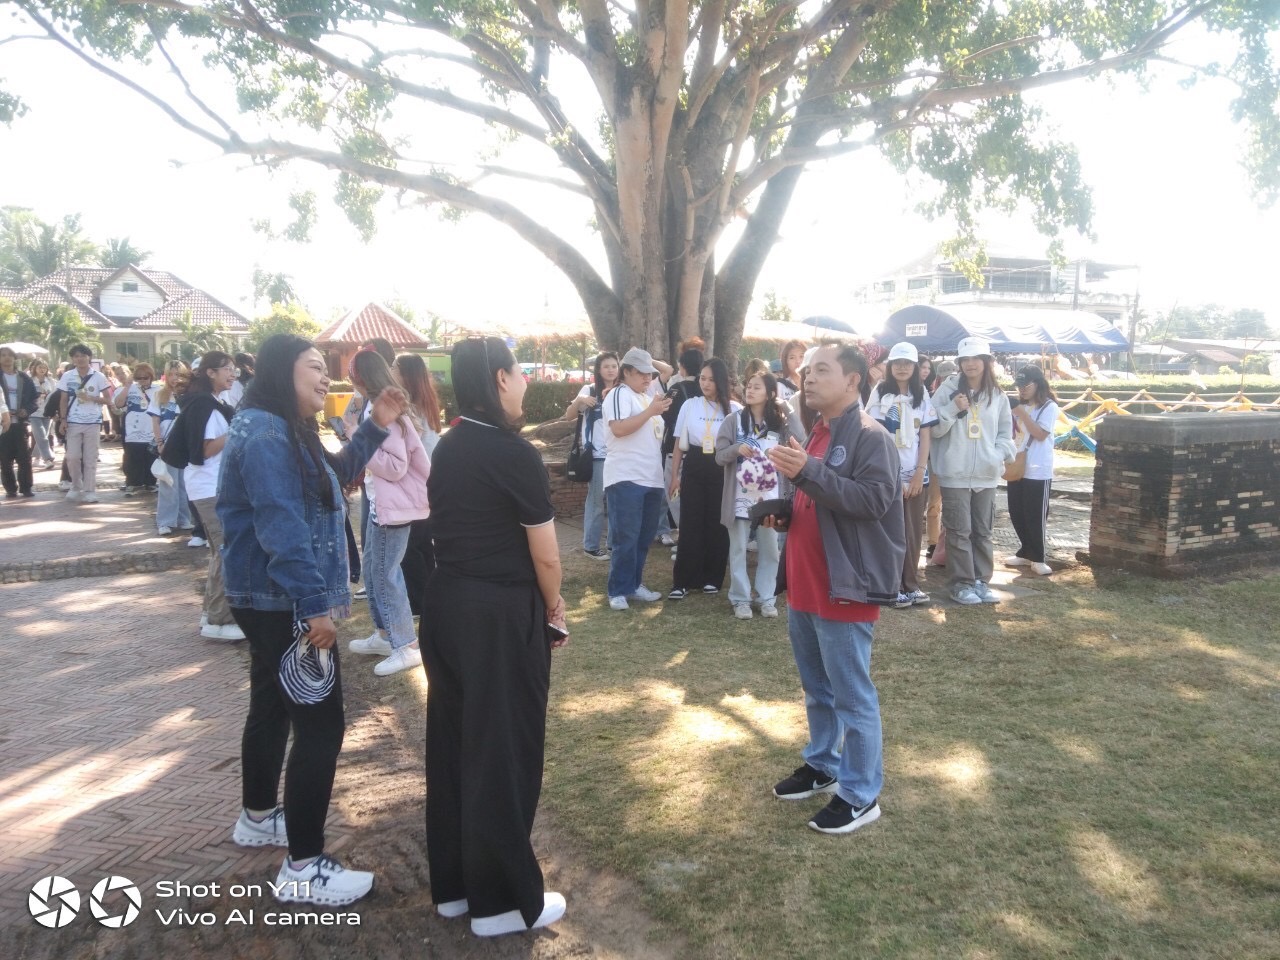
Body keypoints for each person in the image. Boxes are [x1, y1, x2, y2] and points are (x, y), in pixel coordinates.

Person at [219, 333, 407, 908]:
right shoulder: (268, 435)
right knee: (321, 727)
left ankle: (258, 818)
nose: (326, 378)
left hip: (267, 599)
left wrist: (376, 422)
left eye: (327, 370)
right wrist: (314, 609)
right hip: (282, 601)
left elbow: (336, 477)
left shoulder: (282, 426)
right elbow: (281, 528)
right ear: (281, 371)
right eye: (314, 368)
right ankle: (303, 867)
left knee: (271, 705)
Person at [421, 336, 569, 937]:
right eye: (520, 374)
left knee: (457, 746)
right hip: (497, 615)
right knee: (502, 752)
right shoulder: (511, 452)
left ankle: (457, 887)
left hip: (448, 605)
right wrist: (554, 604)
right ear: (501, 380)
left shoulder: (451, 443)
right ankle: (501, 902)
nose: (528, 383)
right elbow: (547, 557)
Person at [764, 343, 904, 835]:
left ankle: (861, 794)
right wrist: (788, 508)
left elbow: (873, 500)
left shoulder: (871, 436)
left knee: (852, 695)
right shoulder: (816, 433)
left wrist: (807, 471)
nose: (808, 377)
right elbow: (820, 495)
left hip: (844, 587)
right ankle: (823, 763)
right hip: (805, 583)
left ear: (853, 381)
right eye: (806, 371)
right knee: (817, 688)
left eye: (822, 370)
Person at [345, 350, 430, 677]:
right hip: (385, 503)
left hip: (394, 505)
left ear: (358, 377)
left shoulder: (387, 412)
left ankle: (406, 645)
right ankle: (385, 635)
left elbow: (395, 467)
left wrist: (355, 435)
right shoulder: (374, 406)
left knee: (385, 573)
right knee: (375, 568)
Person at [930, 337, 1016, 605]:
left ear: (987, 362)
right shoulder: (947, 390)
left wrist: (997, 455)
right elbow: (933, 428)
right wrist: (953, 408)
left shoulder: (998, 395)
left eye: (976, 358)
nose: (970, 364)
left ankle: (980, 580)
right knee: (958, 531)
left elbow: (1005, 432)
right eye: (965, 359)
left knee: (982, 530)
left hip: (987, 474)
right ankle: (961, 583)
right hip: (954, 473)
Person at [868, 342, 938, 607]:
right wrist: (894, 478)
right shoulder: (880, 393)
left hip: (916, 475)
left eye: (907, 363)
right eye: (896, 363)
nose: (901, 367)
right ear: (889, 366)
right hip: (888, 475)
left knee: (912, 533)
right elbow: (874, 436)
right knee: (891, 531)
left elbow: (926, 435)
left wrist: (920, 473)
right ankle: (890, 585)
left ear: (915, 367)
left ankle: (911, 584)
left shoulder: (921, 396)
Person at [602, 348, 672, 610]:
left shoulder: (646, 397)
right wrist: (651, 411)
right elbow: (619, 429)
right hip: (626, 475)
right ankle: (618, 590)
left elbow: (667, 371)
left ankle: (633, 584)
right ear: (627, 372)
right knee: (626, 536)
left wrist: (654, 409)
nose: (647, 378)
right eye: (641, 373)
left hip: (651, 477)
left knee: (644, 537)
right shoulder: (620, 394)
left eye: (649, 374)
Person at [716, 370, 788, 619]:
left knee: (770, 550)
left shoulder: (780, 422)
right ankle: (740, 599)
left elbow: (800, 439)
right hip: (738, 498)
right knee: (737, 549)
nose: (749, 390)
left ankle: (767, 598)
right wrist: (737, 449)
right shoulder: (733, 420)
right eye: (748, 386)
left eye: (757, 387)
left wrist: (785, 407)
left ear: (769, 393)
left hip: (769, 498)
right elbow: (719, 455)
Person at [183, 351, 244, 640]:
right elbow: (205, 449)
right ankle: (220, 621)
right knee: (226, 552)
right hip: (208, 488)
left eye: (234, 370)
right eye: (226, 369)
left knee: (219, 553)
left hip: (212, 487)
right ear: (210, 372)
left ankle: (211, 613)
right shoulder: (204, 406)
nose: (232, 374)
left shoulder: (215, 402)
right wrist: (236, 429)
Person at [667, 358, 739, 600]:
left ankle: (713, 577)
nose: (705, 384)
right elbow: (679, 444)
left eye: (710, 379)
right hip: (695, 463)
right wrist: (675, 475)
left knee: (717, 523)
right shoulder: (690, 405)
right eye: (702, 378)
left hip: (722, 465)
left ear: (720, 381)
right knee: (690, 521)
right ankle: (683, 580)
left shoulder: (735, 409)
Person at [392, 352, 443, 617]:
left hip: (416, 484)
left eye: (395, 367)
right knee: (422, 544)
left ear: (406, 374)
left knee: (412, 547)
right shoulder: (426, 402)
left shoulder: (410, 407)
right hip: (427, 483)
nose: (391, 371)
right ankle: (431, 597)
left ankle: (421, 602)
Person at [562, 350, 619, 560]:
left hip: (619, 454)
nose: (611, 370)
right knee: (596, 500)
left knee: (616, 501)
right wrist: (580, 401)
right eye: (607, 366)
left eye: (614, 366)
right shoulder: (590, 389)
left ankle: (613, 544)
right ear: (599, 369)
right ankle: (591, 546)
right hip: (596, 455)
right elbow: (568, 416)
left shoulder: (622, 391)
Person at [1005, 365, 1060, 577]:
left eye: (1026, 385)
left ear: (1038, 383)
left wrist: (1019, 411)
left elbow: (1040, 434)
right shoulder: (1021, 405)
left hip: (1038, 469)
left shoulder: (1048, 407)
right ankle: (1025, 550)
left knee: (1035, 514)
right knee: (1016, 511)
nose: (1022, 390)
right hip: (1016, 465)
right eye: (1019, 386)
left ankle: (1038, 557)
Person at [57, 344, 111, 503]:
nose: (79, 359)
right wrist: (63, 419)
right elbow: (63, 399)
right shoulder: (67, 376)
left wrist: (92, 398)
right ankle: (75, 485)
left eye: (83, 355)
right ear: (73, 359)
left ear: (89, 357)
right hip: (73, 421)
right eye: (76, 356)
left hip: (93, 421)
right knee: (72, 456)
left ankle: (89, 490)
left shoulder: (98, 376)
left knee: (90, 457)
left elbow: (109, 399)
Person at [149, 360, 192, 535]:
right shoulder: (160, 395)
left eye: (179, 374)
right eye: (172, 374)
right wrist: (159, 442)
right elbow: (155, 421)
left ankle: (184, 518)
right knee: (168, 482)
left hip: (186, 444)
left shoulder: (189, 395)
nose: (175, 378)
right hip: (168, 444)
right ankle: (165, 520)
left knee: (184, 483)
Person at [0, 346, 38, 498]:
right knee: (5, 458)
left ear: (15, 358)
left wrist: (26, 410)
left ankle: (26, 487)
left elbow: (35, 400)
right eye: (3, 355)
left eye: (10, 355)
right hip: (3, 425)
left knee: (24, 456)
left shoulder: (24, 378)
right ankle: (10, 488)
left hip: (21, 423)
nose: (7, 358)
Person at [115, 362, 158, 494]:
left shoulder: (157, 390)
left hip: (150, 428)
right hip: (133, 429)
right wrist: (127, 386)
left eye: (145, 377)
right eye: (139, 378)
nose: (142, 381)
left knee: (150, 456)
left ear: (151, 377)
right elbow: (118, 404)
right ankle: (133, 482)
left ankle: (150, 482)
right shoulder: (130, 389)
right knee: (132, 456)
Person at [28, 359, 58, 469]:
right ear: (34, 368)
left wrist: (55, 411)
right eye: (40, 367)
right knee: (41, 436)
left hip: (47, 412)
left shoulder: (51, 381)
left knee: (43, 436)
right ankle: (48, 458)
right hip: (34, 412)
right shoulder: (30, 381)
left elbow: (55, 397)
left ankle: (36, 458)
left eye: (44, 367)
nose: (42, 369)